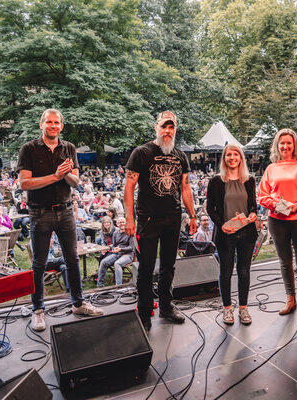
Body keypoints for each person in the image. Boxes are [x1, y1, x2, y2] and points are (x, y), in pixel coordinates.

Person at [17, 108, 103, 332]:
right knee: (39, 263)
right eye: (49, 122)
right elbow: (24, 184)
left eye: (57, 123)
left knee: (72, 259)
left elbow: (75, 182)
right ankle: (37, 310)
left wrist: (65, 174)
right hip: (40, 212)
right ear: (42, 124)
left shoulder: (69, 148)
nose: (53, 126)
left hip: (65, 211)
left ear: (61, 126)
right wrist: (55, 176)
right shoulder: (28, 149)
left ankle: (78, 303)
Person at [124, 110, 197, 330]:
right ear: (156, 127)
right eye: (164, 126)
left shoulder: (180, 156)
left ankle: (166, 305)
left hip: (173, 218)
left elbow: (185, 188)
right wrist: (129, 217)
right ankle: (145, 311)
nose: (167, 130)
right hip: (147, 218)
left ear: (175, 129)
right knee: (146, 267)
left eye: (171, 127)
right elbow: (129, 186)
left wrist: (193, 215)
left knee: (169, 265)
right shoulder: (142, 152)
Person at [258, 128, 297, 327]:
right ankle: (290, 300)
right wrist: (274, 204)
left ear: (294, 145)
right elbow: (262, 195)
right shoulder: (271, 168)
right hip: (277, 220)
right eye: (282, 143)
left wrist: (296, 205)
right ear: (277, 145)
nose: (285, 146)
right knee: (285, 262)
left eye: (289, 143)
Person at [207, 144, 258, 325]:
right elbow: (210, 209)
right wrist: (222, 226)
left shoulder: (249, 180)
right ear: (224, 158)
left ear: (241, 158)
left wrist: (253, 214)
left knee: (244, 271)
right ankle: (227, 309)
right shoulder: (215, 181)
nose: (232, 157)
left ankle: (243, 309)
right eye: (229, 155)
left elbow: (253, 206)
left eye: (236, 154)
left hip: (246, 233)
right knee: (226, 272)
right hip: (226, 234)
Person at [97, 217, 134, 287]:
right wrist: (108, 248)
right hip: (117, 253)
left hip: (127, 255)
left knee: (117, 264)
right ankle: (100, 285)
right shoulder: (116, 233)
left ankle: (118, 286)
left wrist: (120, 249)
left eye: (123, 222)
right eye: (120, 222)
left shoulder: (129, 233)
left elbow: (132, 247)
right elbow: (113, 245)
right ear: (117, 224)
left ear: (126, 223)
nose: (122, 224)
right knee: (103, 262)